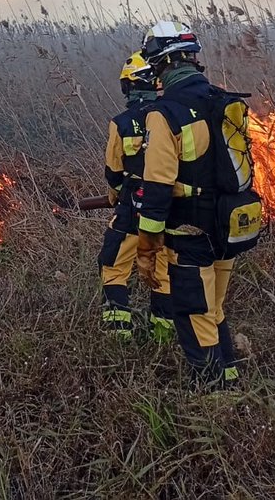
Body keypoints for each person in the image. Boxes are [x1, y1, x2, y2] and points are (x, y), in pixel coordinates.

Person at [135, 20, 241, 388]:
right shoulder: (222, 99)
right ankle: (230, 379)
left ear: (160, 64)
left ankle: (215, 397)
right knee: (215, 308)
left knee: (195, 311)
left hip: (190, 233)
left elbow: (158, 187)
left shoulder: (165, 114)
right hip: (229, 226)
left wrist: (147, 247)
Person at [98, 52, 173, 341]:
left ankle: (119, 337)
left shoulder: (122, 123)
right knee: (162, 271)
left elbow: (114, 170)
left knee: (113, 265)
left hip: (132, 208)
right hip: (166, 209)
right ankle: (162, 337)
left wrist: (115, 193)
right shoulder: (170, 117)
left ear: (130, 86)